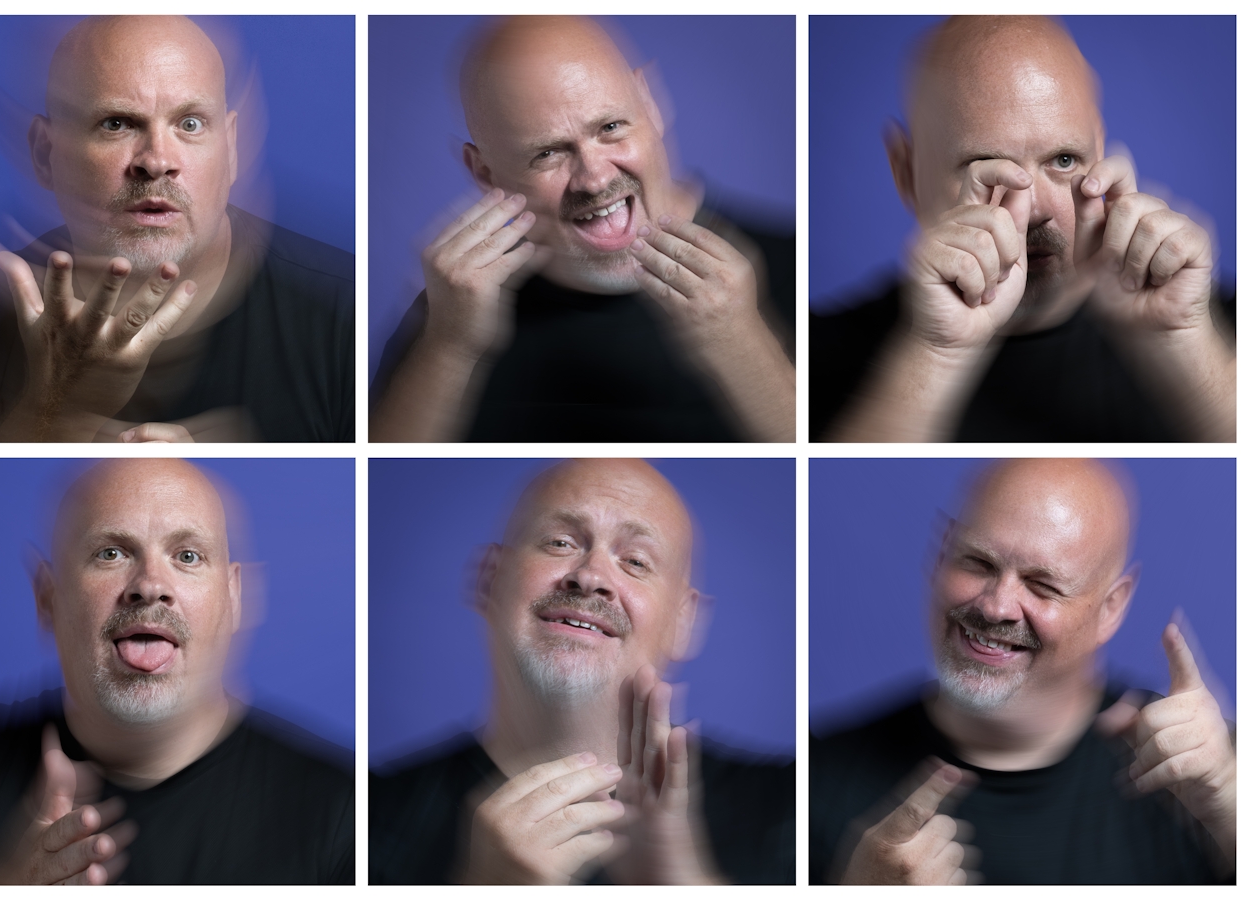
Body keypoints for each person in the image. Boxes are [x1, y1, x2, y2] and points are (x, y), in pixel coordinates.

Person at [0, 16, 355, 442]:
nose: (155, 161)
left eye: (190, 124)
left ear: (230, 149)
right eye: (116, 124)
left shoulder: (340, 311)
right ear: (45, 154)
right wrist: (60, 412)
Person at [370, 16, 795, 443]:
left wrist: (744, 350)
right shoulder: (449, 312)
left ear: (650, 103)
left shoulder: (792, 264)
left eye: (609, 128)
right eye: (548, 153)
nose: (593, 179)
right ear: (485, 172)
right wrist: (449, 346)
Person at [0, 459, 354, 884]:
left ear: (234, 596)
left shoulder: (349, 817)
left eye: (187, 556)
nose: (150, 584)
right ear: (47, 598)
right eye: (110, 553)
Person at [810, 459, 1235, 884]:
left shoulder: (1205, 771)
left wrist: (1228, 798)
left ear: (1111, 607)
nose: (996, 606)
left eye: (1042, 585)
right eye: (977, 562)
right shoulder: (813, 781)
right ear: (942, 553)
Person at [810, 16, 1235, 442]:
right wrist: (935, 354)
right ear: (906, 173)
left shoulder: (1224, 327)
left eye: (1064, 160)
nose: (1033, 210)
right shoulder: (812, 359)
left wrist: (1183, 343)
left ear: (1100, 152)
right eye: (986, 169)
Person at [369, 459, 794, 883]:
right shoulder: (359, 822)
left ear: (684, 622)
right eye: (559, 543)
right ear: (490, 580)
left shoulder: (793, 814)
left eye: (635, 561)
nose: (591, 577)